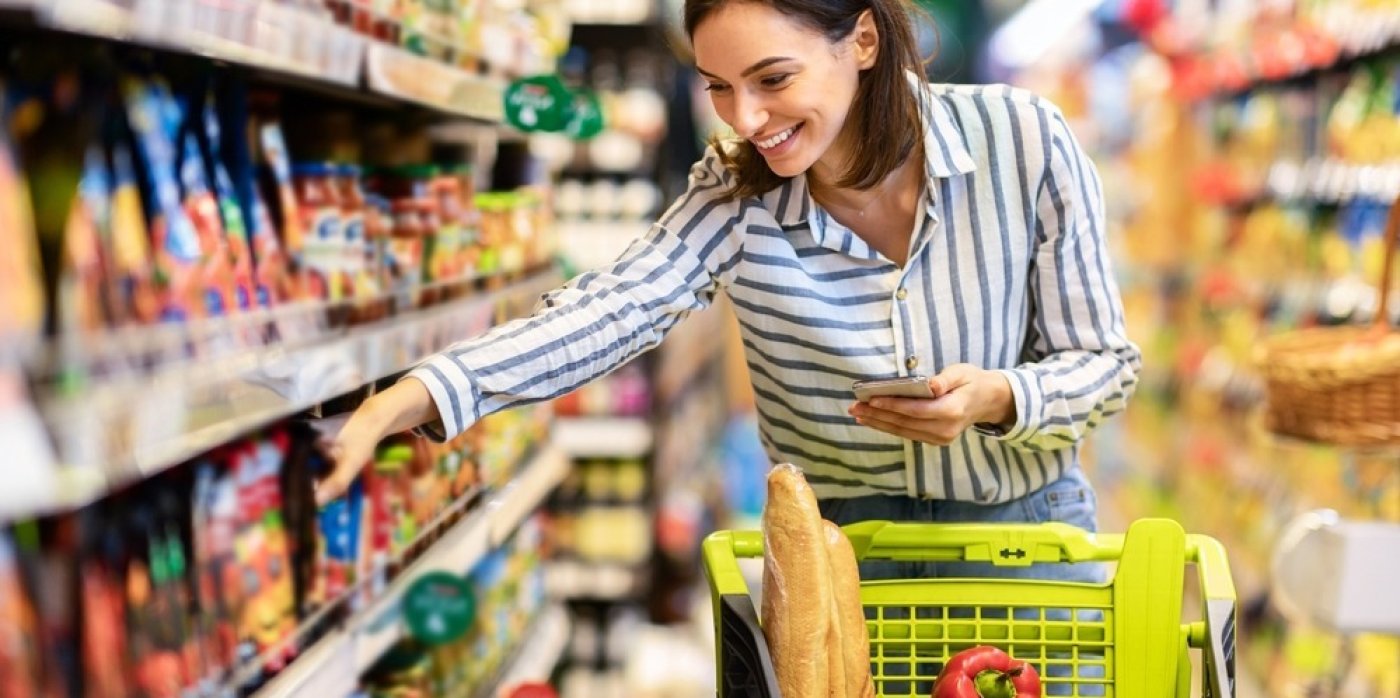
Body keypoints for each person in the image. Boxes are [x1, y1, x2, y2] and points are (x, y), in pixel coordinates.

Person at [317, 0, 1139, 587]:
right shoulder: (736, 193)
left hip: (1023, 548)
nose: (745, 116)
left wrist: (1001, 396)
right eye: (717, 85)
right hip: (832, 569)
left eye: (772, 78)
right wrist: (416, 394)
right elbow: (617, 306)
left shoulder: (1023, 140)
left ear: (860, 40)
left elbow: (1104, 364)